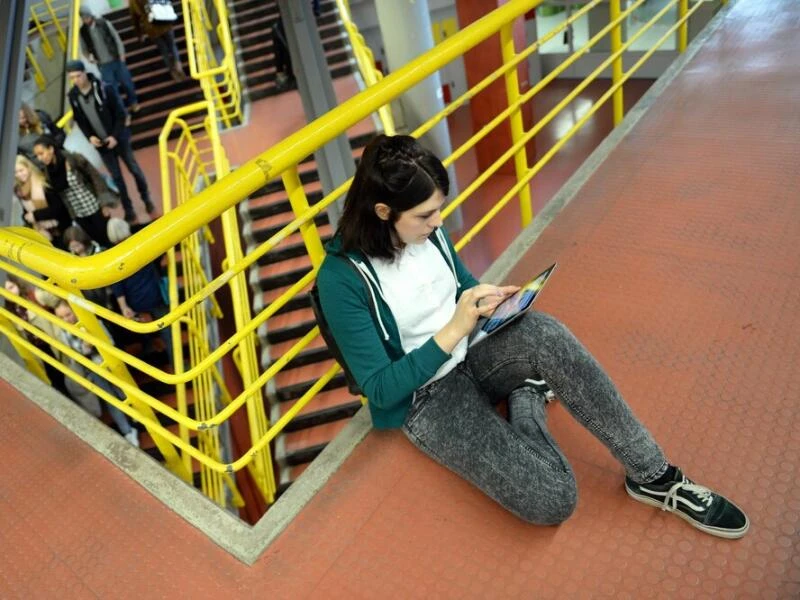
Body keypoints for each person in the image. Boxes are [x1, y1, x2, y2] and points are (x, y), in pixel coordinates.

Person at [315, 134, 749, 539]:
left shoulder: (428, 234)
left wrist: (485, 299)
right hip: (426, 398)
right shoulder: (341, 280)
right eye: (427, 215)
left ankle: (654, 476)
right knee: (553, 500)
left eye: (439, 208)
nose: (439, 221)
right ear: (383, 213)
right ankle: (526, 399)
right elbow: (380, 388)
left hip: (473, 349)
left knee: (544, 331)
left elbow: (461, 283)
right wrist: (453, 331)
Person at [65, 60, 154, 222]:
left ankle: (147, 199)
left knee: (134, 169)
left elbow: (121, 114)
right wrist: (90, 137)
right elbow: (81, 120)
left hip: (119, 138)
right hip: (101, 144)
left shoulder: (105, 88)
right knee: (117, 178)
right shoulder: (74, 96)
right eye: (72, 78)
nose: (76, 80)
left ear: (85, 73)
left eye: (78, 76)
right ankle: (129, 209)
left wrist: (114, 136)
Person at [54, 300, 139, 447]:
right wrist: (86, 346)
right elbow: (75, 356)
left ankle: (137, 418)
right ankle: (127, 431)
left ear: (74, 310)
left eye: (68, 314)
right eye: (61, 317)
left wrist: (90, 344)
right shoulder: (65, 333)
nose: (66, 320)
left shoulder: (91, 322)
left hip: (110, 363)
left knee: (124, 392)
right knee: (110, 399)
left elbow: (110, 341)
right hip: (93, 369)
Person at [107, 218, 173, 368]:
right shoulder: (141, 245)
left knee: (144, 330)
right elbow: (160, 253)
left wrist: (124, 307)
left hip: (136, 302)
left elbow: (117, 285)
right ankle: (175, 363)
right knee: (168, 332)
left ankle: (153, 351)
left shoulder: (113, 256)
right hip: (155, 296)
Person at [33, 136, 114, 247]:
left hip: (94, 206)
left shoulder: (73, 159)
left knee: (108, 238)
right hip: (78, 213)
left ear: (51, 149)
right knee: (98, 241)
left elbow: (96, 178)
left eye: (41, 153)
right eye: (37, 155)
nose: (39, 158)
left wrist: (104, 204)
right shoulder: (48, 172)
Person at [78, 6, 140, 119]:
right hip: (103, 65)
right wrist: (89, 58)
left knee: (127, 83)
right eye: (83, 18)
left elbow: (116, 38)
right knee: (112, 91)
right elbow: (84, 49)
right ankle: (123, 114)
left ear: (90, 15)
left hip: (116, 59)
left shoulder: (103, 23)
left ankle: (133, 102)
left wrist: (122, 54)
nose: (85, 20)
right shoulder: (83, 32)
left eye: (86, 17)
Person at [14, 154, 72, 249]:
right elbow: (27, 212)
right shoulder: (19, 190)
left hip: (60, 230)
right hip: (42, 232)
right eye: (15, 172)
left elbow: (58, 208)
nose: (19, 175)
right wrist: (26, 218)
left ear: (28, 167)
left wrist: (36, 216)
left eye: (21, 170)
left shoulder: (43, 183)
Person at [128, 0, 186, 81]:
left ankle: (173, 72)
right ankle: (178, 65)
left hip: (151, 28)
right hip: (164, 21)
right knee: (172, 45)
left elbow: (135, 18)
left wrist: (139, 35)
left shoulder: (132, 2)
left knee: (164, 51)